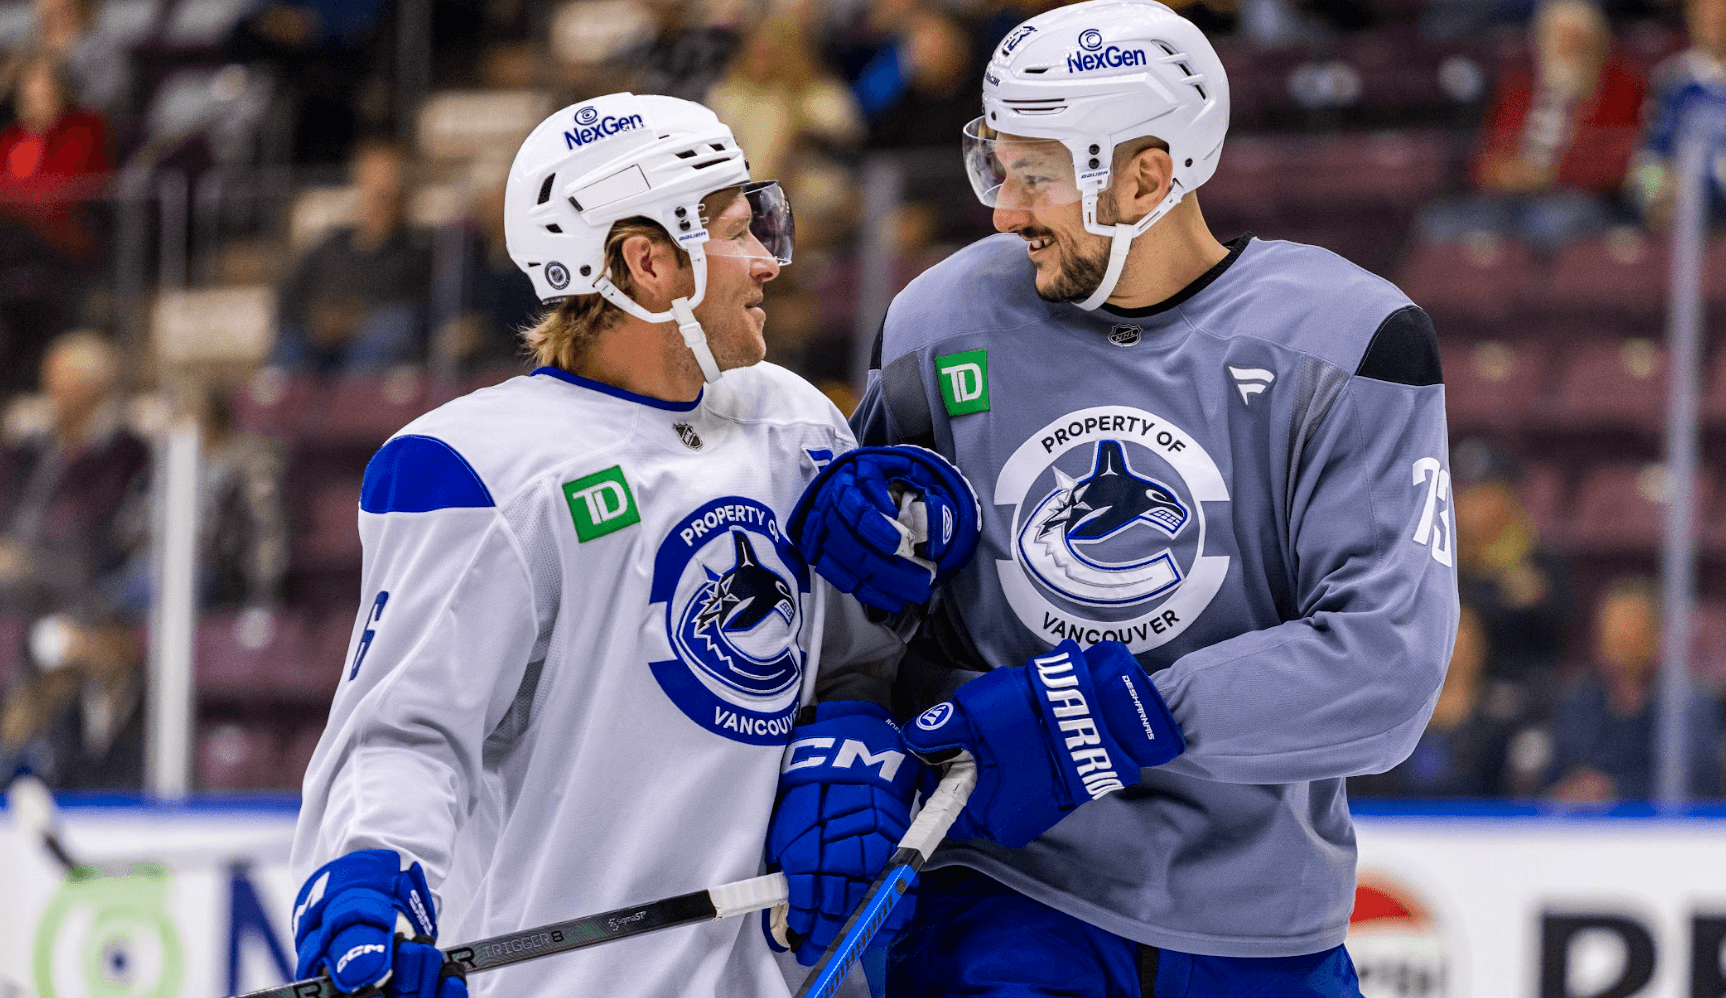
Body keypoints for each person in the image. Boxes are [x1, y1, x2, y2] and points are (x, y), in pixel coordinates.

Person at [796, 2, 1458, 994]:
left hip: (1260, 925)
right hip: (1003, 893)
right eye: (997, 166)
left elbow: (1386, 665)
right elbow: (869, 590)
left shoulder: (1349, 340)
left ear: (1148, 175)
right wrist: (844, 712)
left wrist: (1113, 715)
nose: (1004, 212)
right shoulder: (942, 317)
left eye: (1037, 177)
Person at [288, 93, 977, 998]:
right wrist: (371, 881)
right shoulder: (473, 466)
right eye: (742, 229)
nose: (770, 258)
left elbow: (851, 666)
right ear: (647, 263)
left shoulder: (797, 421)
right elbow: (406, 732)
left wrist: (848, 735)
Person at [1419, 0, 1646, 251]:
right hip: (1509, 199)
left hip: (1578, 199)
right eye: (1555, 36)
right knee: (1438, 222)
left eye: (1574, 37)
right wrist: (1508, 173)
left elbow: (1620, 164)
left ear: (1595, 41)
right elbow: (1484, 162)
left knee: (1547, 223)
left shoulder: (1620, 85)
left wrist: (1552, 176)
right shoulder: (1519, 87)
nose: (1564, 45)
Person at [1546, 578, 1724, 801]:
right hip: (1584, 831)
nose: (1617, 633)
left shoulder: (1689, 703)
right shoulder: (1579, 703)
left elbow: (1695, 785)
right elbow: (1553, 780)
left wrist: (1615, 790)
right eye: (1610, 622)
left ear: (1656, 632)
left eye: (1628, 622)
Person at [271, 139, 433, 374]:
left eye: (388, 191)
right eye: (372, 187)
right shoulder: (328, 248)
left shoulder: (420, 250)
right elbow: (289, 302)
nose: (380, 198)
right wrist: (319, 320)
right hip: (317, 347)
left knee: (390, 328)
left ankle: (354, 407)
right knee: (290, 344)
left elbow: (419, 310)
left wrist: (356, 320)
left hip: (375, 353)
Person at [1628, 0, 1726, 228]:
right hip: (1682, 192)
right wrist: (1652, 195)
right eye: (1706, 18)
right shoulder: (1672, 78)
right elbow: (1650, 155)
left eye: (1721, 18)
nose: (1714, 25)